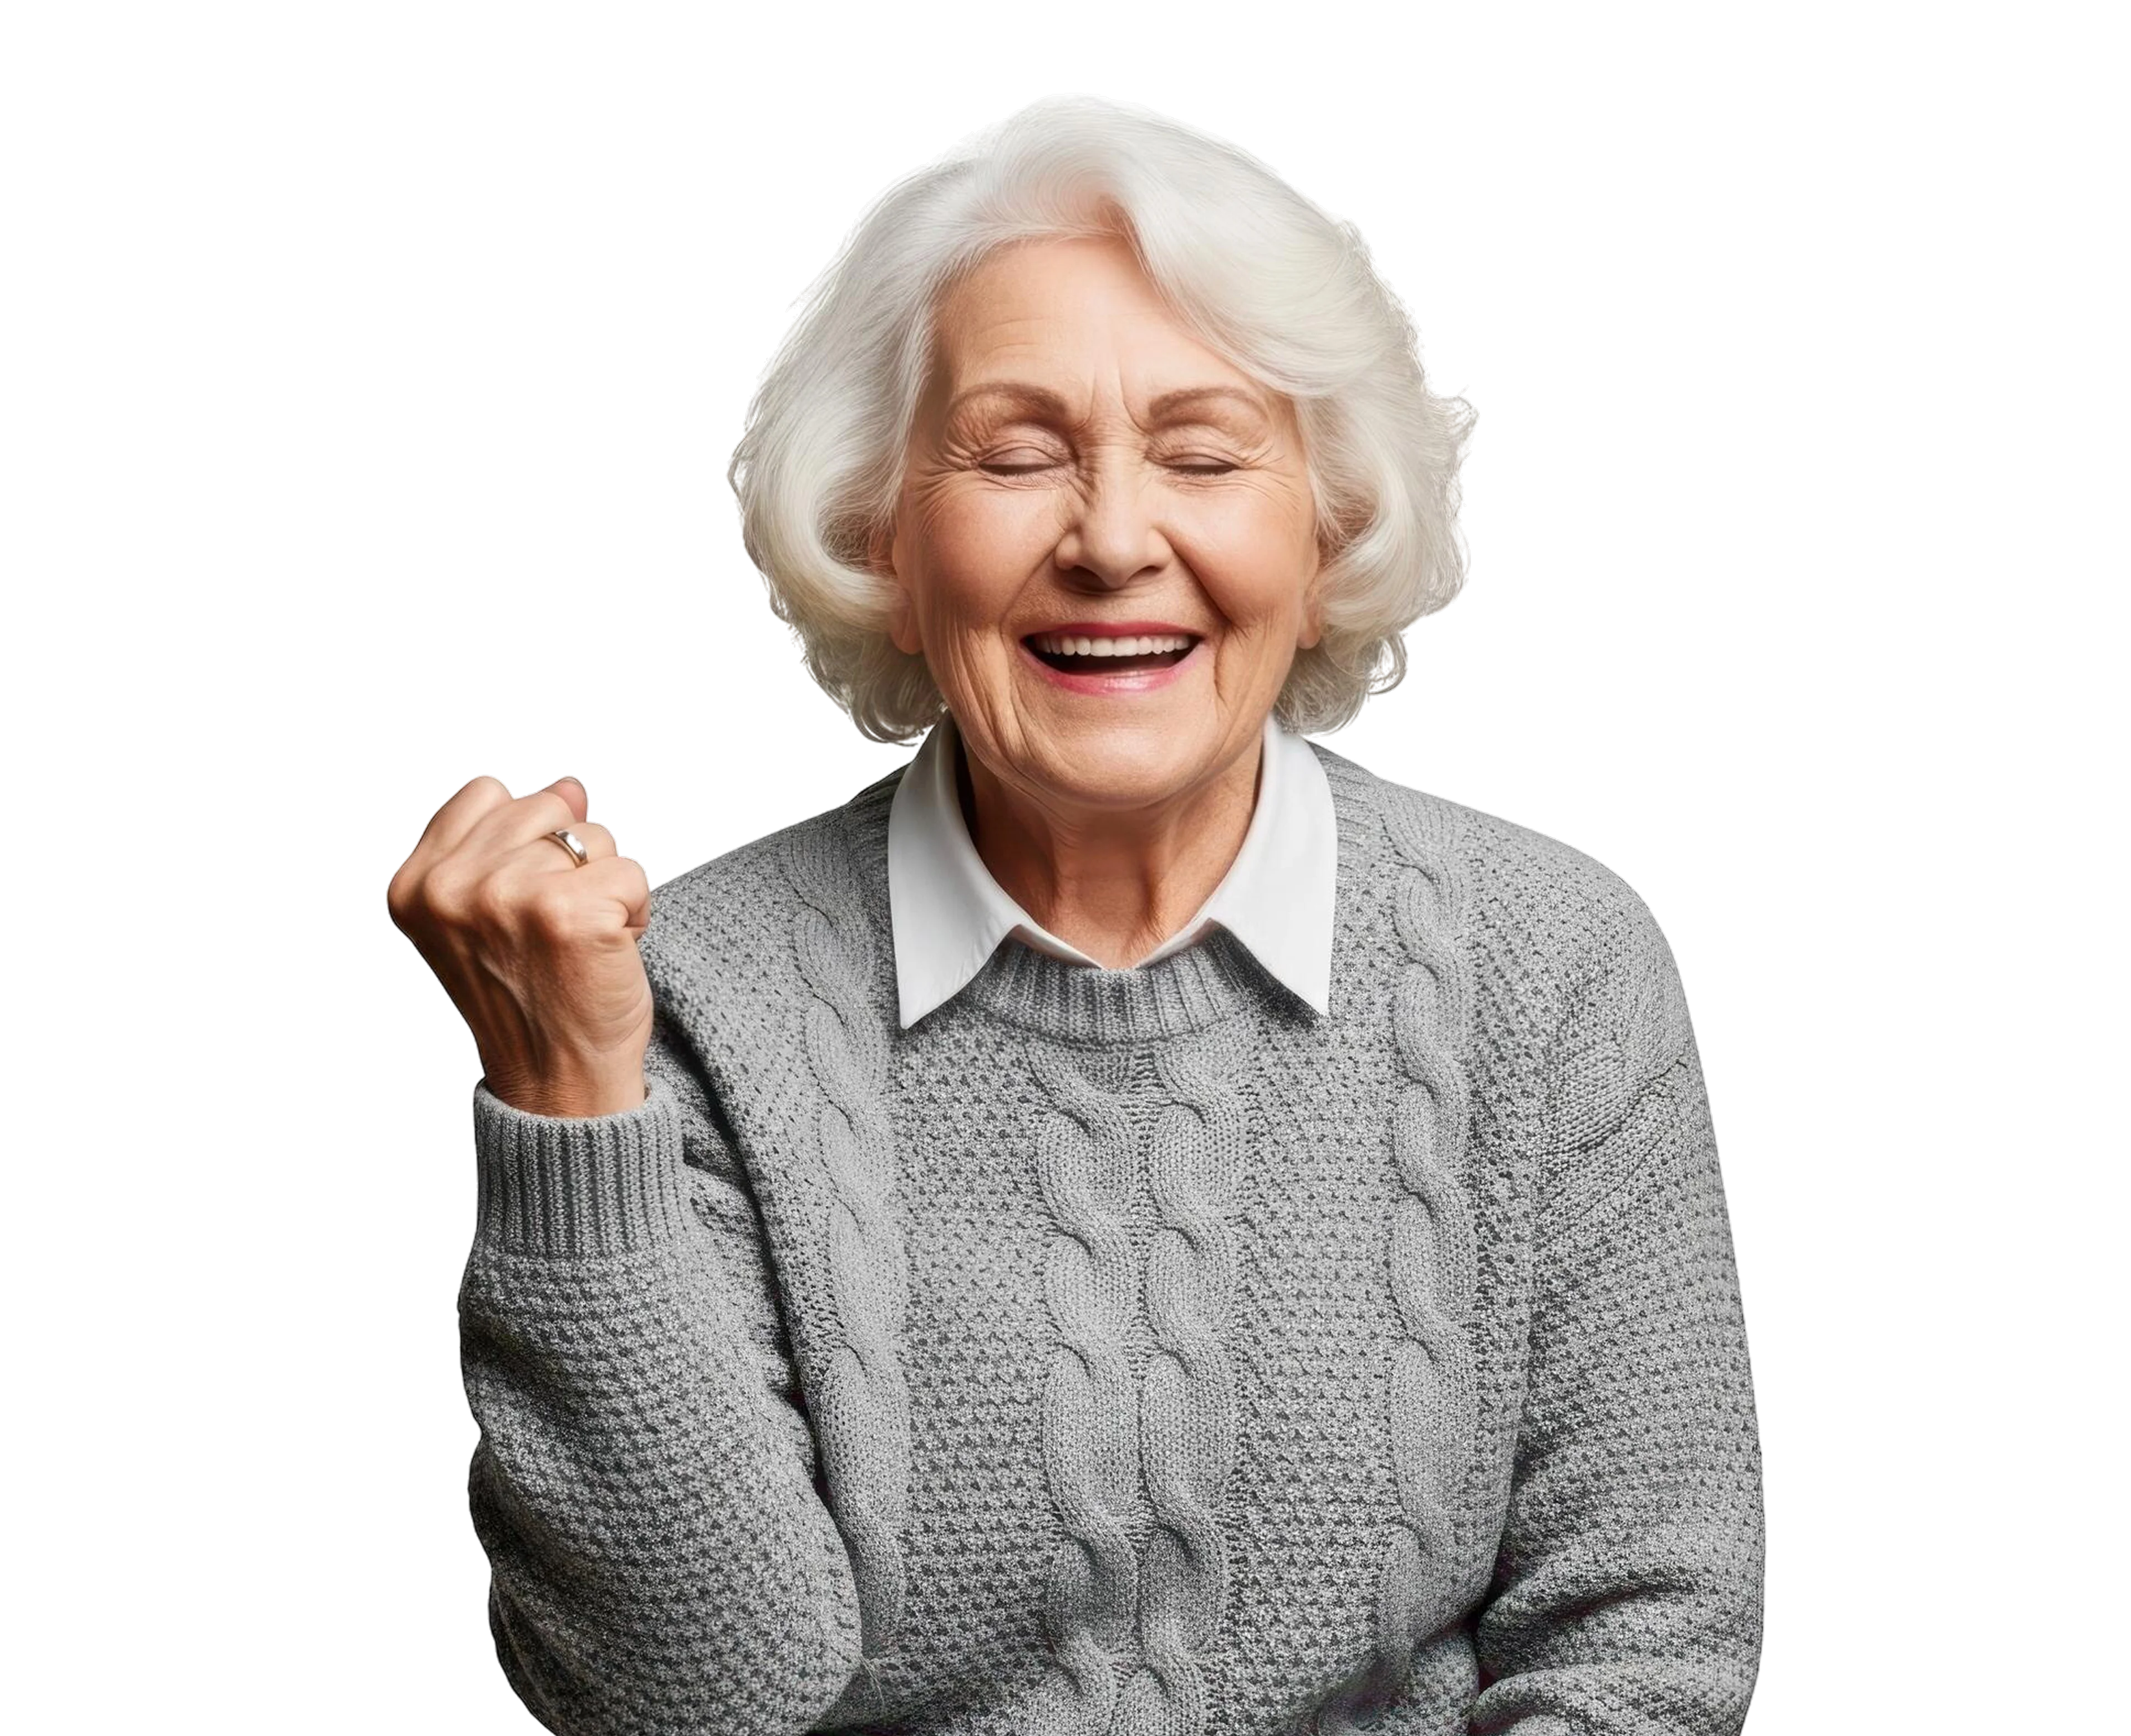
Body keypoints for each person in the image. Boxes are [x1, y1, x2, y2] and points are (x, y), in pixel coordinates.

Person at [386, 92, 1767, 1736]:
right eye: (1015, 454)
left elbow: (1646, 1655)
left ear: (1327, 530)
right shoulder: (679, 990)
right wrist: (567, 1115)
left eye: (1202, 454)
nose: (1113, 542)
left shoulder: (1553, 959)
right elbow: (683, 1706)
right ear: (881, 531)